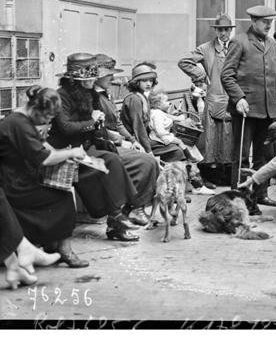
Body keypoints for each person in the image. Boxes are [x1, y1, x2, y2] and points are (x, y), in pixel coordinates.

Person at [48, 53, 140, 242]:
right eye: (89, 78)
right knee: (103, 165)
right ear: (76, 79)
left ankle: (122, 213)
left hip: (84, 148)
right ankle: (117, 217)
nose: (92, 81)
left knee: (112, 159)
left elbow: (92, 128)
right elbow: (65, 128)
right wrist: (93, 121)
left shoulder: (90, 94)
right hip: (64, 150)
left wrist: (100, 126)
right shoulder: (61, 96)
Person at [0, 85, 90, 268]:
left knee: (58, 192)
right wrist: (70, 152)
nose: (47, 121)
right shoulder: (18, 124)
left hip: (18, 176)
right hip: (12, 182)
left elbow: (42, 145)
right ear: (36, 109)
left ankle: (51, 244)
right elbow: (45, 158)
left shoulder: (22, 118)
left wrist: (64, 152)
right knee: (62, 195)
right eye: (47, 117)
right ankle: (64, 250)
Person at [220, 5, 276, 207]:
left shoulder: (273, 44)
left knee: (264, 156)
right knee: (241, 156)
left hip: (268, 111)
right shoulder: (239, 42)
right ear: (253, 21)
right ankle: (238, 197)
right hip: (245, 109)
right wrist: (238, 98)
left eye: (270, 22)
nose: (268, 25)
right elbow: (227, 75)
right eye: (264, 22)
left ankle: (260, 194)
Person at [93, 54, 158, 226]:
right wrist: (122, 141)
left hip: (113, 141)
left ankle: (135, 206)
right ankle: (135, 207)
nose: (113, 78)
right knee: (147, 161)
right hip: (101, 145)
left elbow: (117, 122)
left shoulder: (106, 94)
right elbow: (99, 129)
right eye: (109, 75)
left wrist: (131, 139)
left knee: (148, 160)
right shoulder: (92, 97)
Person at [178, 13, 235, 186]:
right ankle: (209, 175)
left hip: (233, 98)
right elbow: (184, 62)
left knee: (229, 138)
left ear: (230, 31)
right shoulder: (206, 48)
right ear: (216, 30)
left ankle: (227, 174)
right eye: (220, 30)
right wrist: (200, 75)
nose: (224, 33)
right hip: (213, 98)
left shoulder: (236, 47)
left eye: (226, 30)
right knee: (210, 140)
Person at [120, 62, 186, 162]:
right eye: (144, 80)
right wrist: (148, 149)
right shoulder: (134, 99)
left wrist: (174, 118)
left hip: (147, 136)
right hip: (135, 140)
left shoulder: (141, 96)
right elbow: (138, 127)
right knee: (177, 152)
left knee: (177, 145)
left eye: (151, 80)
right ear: (136, 82)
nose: (148, 83)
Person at [148, 90, 197, 162]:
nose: (169, 103)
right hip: (160, 137)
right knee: (180, 141)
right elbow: (159, 129)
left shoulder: (158, 112)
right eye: (166, 101)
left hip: (160, 135)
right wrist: (165, 138)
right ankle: (189, 157)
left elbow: (167, 117)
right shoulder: (157, 115)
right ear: (158, 105)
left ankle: (188, 157)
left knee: (178, 140)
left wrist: (174, 115)